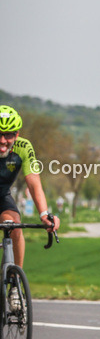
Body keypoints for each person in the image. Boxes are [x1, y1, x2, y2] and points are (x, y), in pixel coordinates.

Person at [0, 106, 60, 281]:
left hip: (2, 196)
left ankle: (14, 282)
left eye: (8, 134)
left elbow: (34, 183)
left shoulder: (24, 147)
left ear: (17, 135)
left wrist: (44, 214)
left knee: (14, 226)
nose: (3, 140)